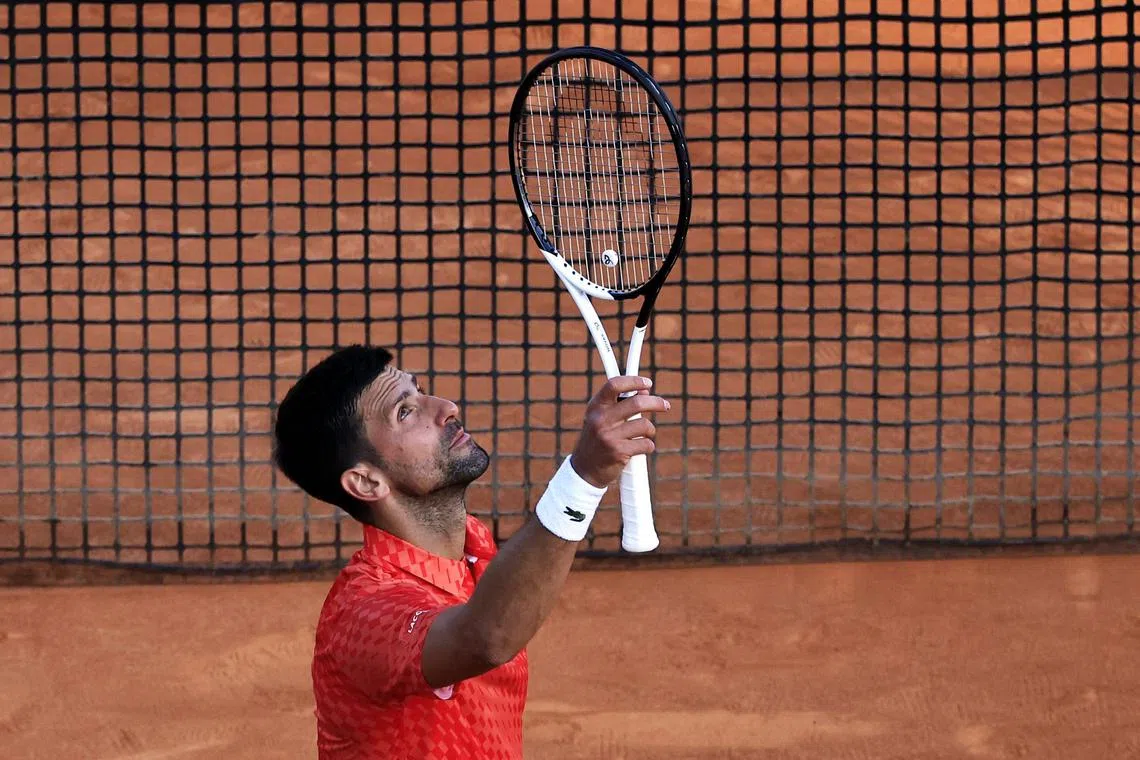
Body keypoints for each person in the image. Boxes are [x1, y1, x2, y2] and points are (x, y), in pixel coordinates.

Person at [273, 345, 671, 759]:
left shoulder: (472, 545)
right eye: (405, 412)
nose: (446, 407)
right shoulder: (362, 614)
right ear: (367, 482)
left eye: (421, 390)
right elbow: (486, 637)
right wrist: (583, 478)